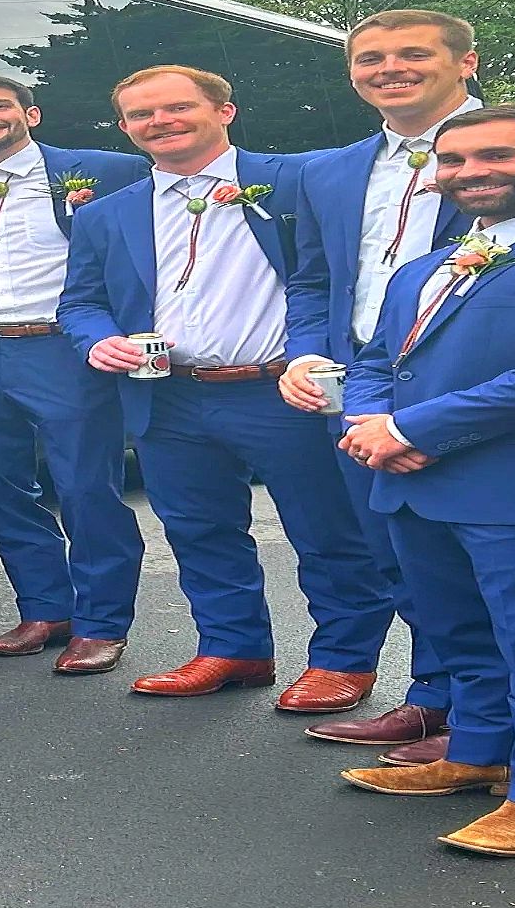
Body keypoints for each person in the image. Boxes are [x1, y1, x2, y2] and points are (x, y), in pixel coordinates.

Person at [279, 10, 515, 760]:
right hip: (372, 404)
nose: (390, 69)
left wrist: (416, 426)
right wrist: (345, 394)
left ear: (466, 61)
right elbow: (317, 281)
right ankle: (454, 723)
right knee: (420, 578)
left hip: (510, 424)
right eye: (370, 58)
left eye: (413, 53)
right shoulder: (328, 173)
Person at [334, 106, 515, 855]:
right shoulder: (424, 267)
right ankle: (480, 751)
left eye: (497, 155)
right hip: (413, 483)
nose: (471, 173)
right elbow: (376, 362)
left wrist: (412, 430)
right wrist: (370, 425)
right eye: (454, 160)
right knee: (457, 630)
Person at [58, 64, 396, 702]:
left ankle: (343, 659)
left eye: (178, 107)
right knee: (199, 532)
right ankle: (232, 648)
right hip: (169, 395)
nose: (160, 122)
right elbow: (80, 301)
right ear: (125, 128)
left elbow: (325, 275)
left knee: (326, 532)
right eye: (141, 115)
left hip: (279, 391)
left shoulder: (291, 182)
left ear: (224, 111)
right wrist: (97, 339)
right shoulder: (106, 214)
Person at [0, 72, 150, 674]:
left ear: (31, 114)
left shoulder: (109, 171)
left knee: (87, 489)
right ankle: (46, 609)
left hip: (65, 347)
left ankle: (101, 622)